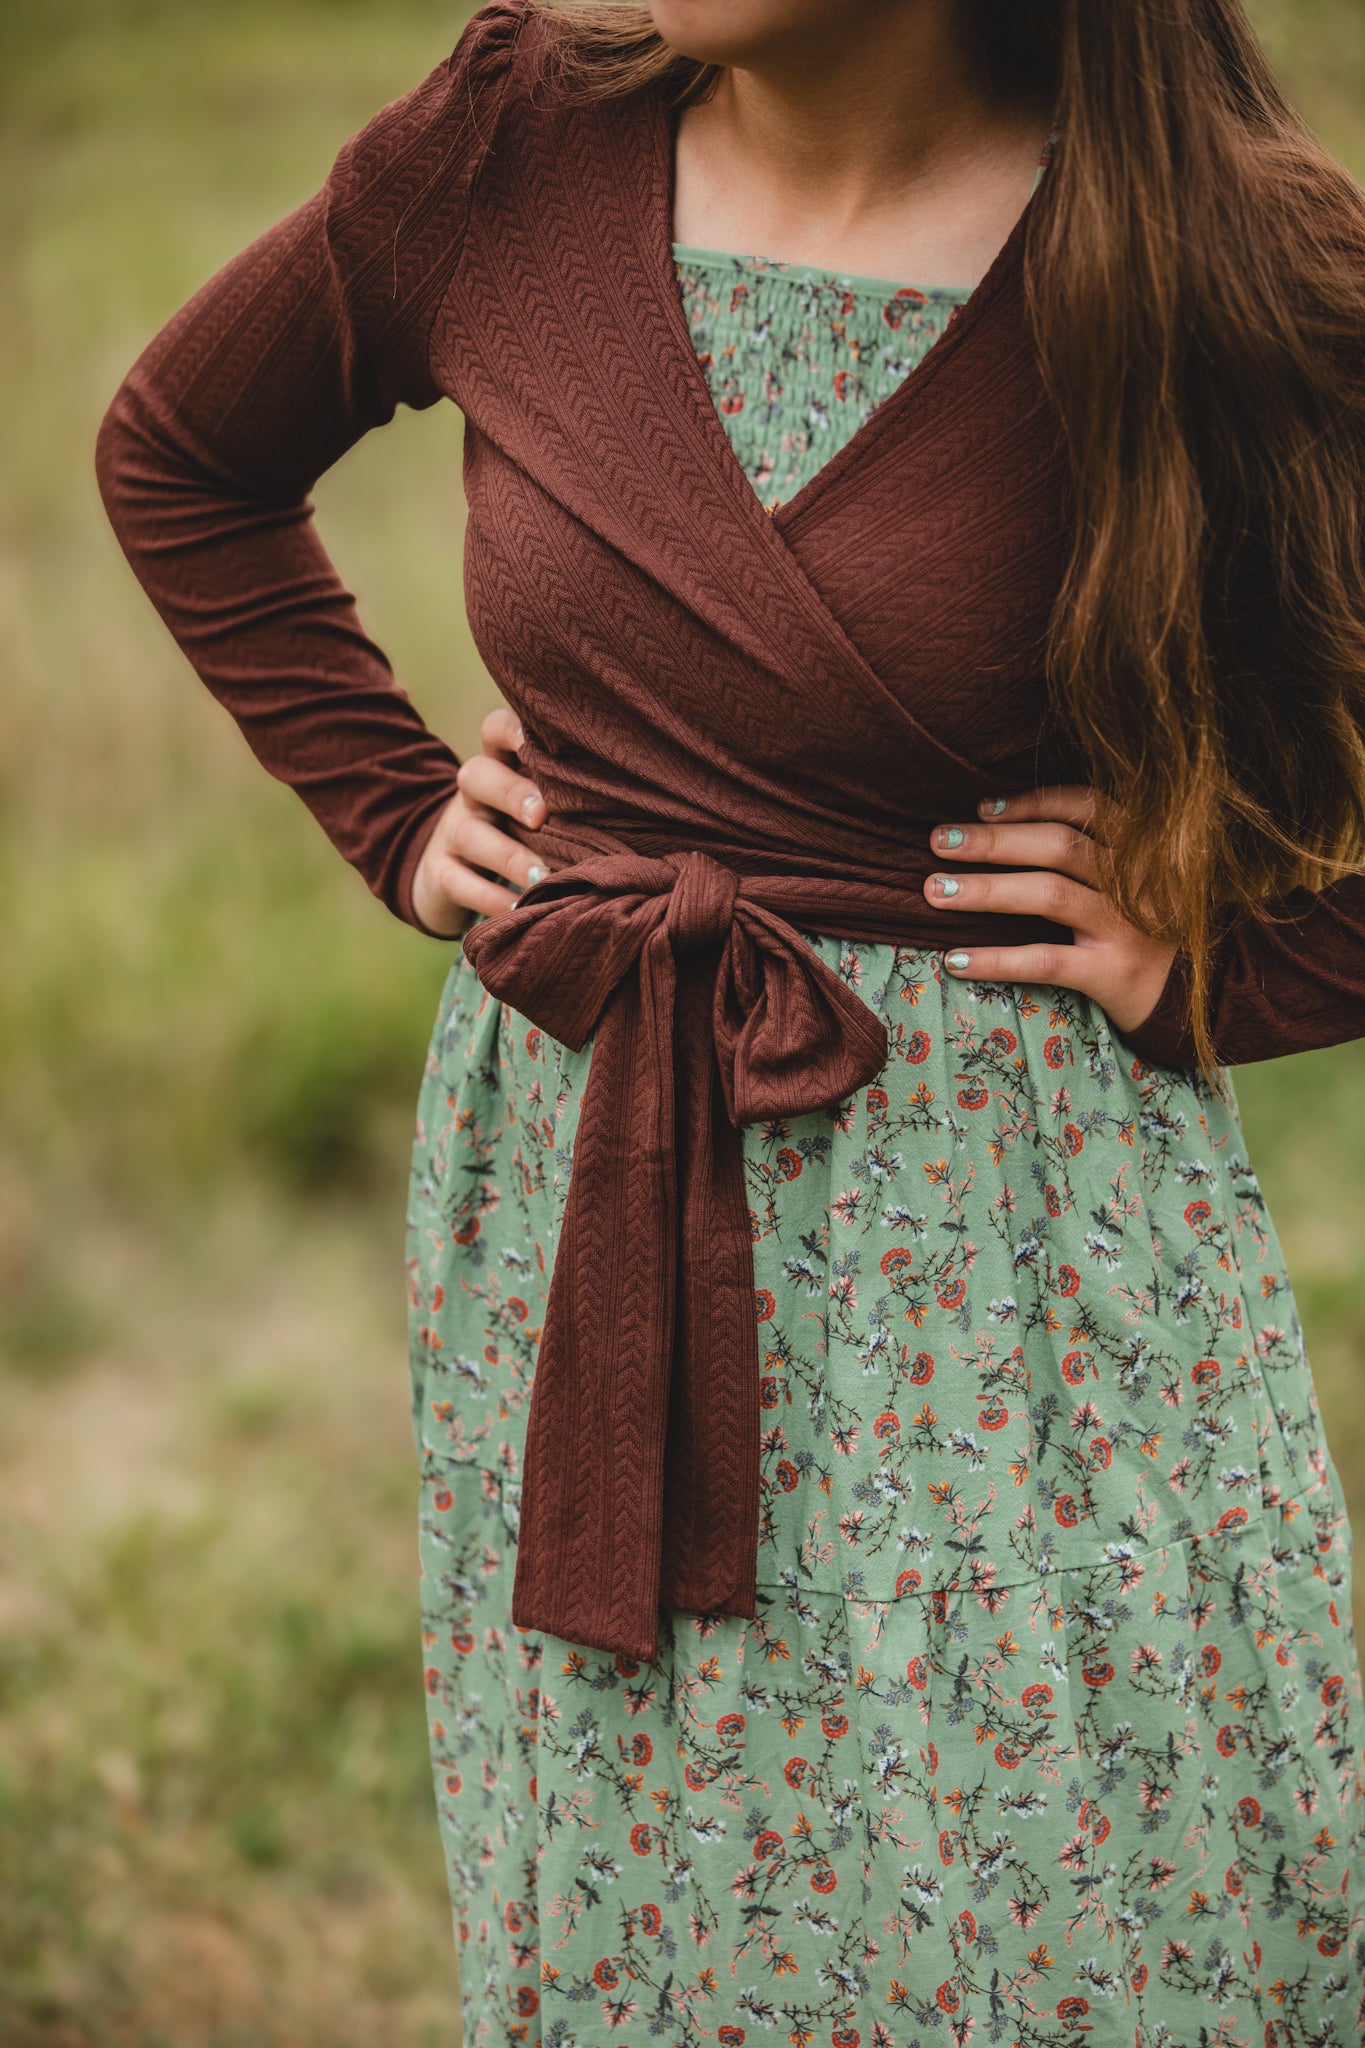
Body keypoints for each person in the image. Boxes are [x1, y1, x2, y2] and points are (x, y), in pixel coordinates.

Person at [94, 0, 1365, 2039]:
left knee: (1051, 1906)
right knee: (657, 1888)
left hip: (1006, 1260)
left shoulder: (1203, 238)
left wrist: (1244, 957)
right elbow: (182, 455)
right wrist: (395, 808)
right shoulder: (510, 140)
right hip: (590, 1181)